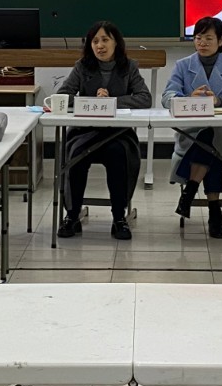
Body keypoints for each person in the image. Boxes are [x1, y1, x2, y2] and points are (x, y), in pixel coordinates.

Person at [55, 20, 151, 240]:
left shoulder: (129, 67)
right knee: (75, 156)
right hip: (84, 133)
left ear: (116, 43)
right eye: (95, 41)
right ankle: (72, 215)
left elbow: (145, 98)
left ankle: (119, 218)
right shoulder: (82, 66)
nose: (100, 45)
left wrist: (112, 102)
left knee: (119, 155)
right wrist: (91, 101)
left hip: (117, 134)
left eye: (105, 40)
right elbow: (63, 95)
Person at [163, 16, 222, 239]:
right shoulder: (183, 65)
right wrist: (188, 99)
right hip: (191, 133)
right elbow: (167, 97)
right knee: (210, 145)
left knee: (213, 137)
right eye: (198, 37)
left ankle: (191, 191)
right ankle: (214, 211)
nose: (202, 42)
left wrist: (220, 100)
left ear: (220, 41)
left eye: (208, 38)